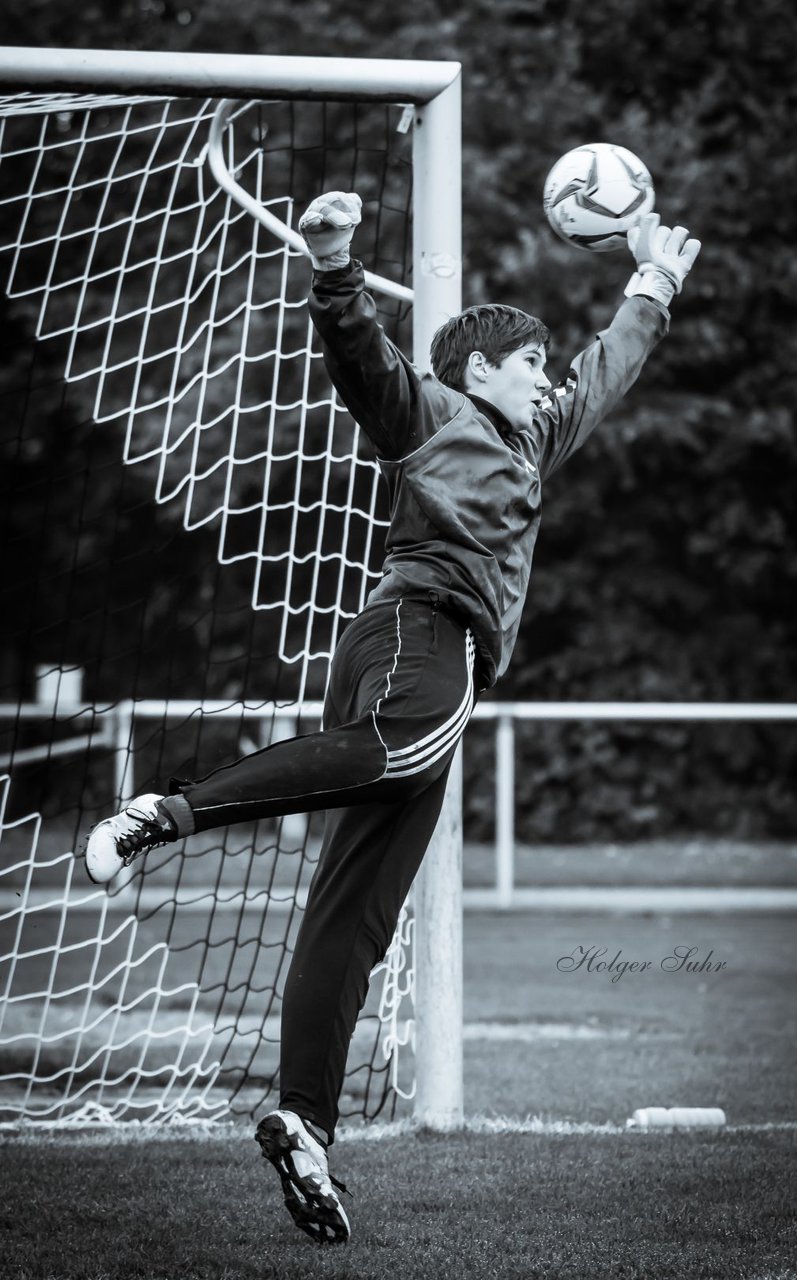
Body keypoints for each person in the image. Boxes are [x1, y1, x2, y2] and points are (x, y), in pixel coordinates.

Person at [84, 192, 700, 1244]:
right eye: (527, 359)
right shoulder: (435, 413)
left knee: (353, 920)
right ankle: (162, 815)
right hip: (419, 634)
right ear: (475, 374)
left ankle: (304, 1121)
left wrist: (653, 280)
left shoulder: (531, 438)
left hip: (406, 655)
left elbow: (605, 367)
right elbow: (363, 363)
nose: (546, 374)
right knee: (404, 744)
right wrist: (334, 266)